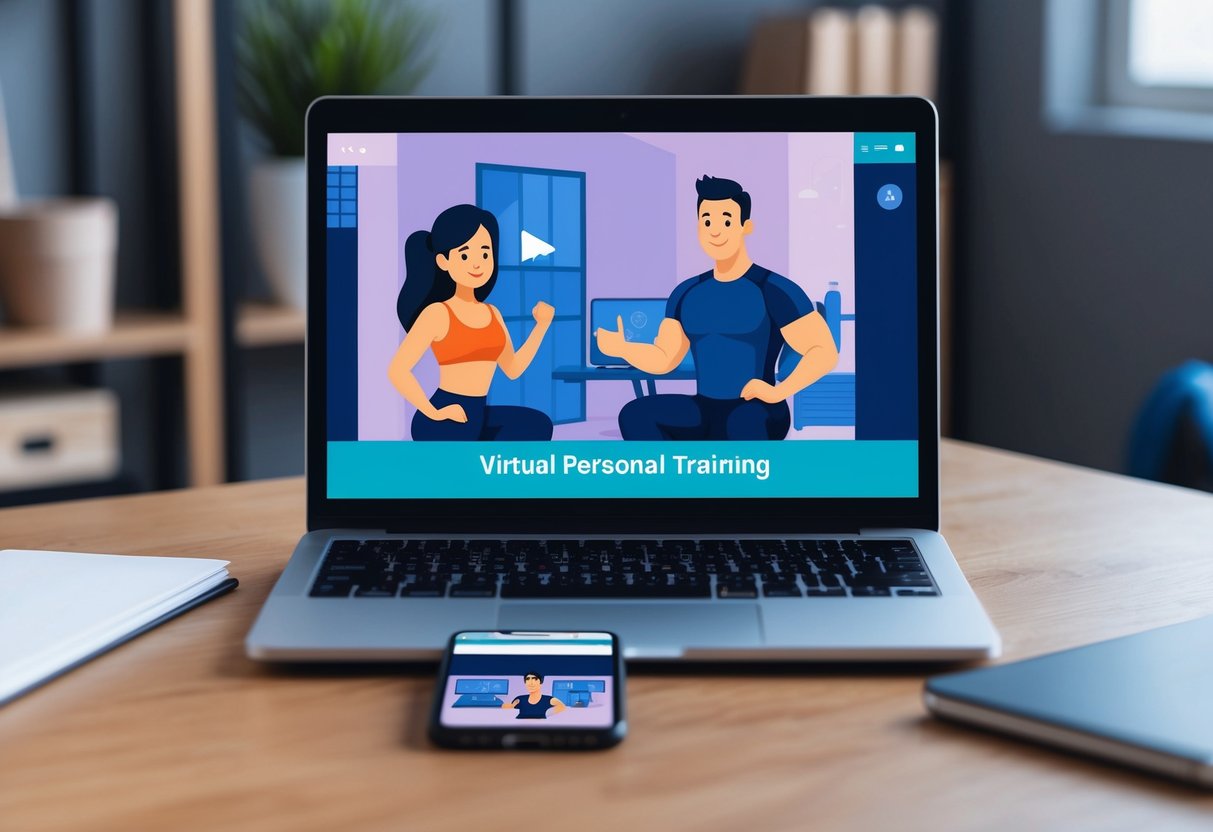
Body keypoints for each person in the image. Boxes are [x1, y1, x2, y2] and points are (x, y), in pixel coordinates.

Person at [596, 175, 839, 440]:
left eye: (725, 221)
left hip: (758, 408)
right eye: (707, 221)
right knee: (636, 414)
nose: (715, 230)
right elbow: (665, 358)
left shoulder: (775, 289)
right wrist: (623, 349)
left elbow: (824, 352)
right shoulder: (686, 292)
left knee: (742, 425)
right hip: (704, 408)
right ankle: (669, 481)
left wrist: (777, 392)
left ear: (746, 226)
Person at [389, 204, 554, 441]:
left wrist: (541, 326)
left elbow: (513, 369)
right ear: (443, 261)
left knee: (538, 425)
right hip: (447, 412)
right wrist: (433, 412)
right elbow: (397, 370)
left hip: (478, 411)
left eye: (485, 253)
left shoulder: (492, 312)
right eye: (465, 255)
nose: (477, 263)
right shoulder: (438, 313)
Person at [501, 671, 566, 719]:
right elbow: (509, 707)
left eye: (535, 679)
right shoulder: (520, 699)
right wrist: (506, 706)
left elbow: (562, 706)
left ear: (540, 682)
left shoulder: (548, 699)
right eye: (527, 679)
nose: (531, 683)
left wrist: (548, 714)